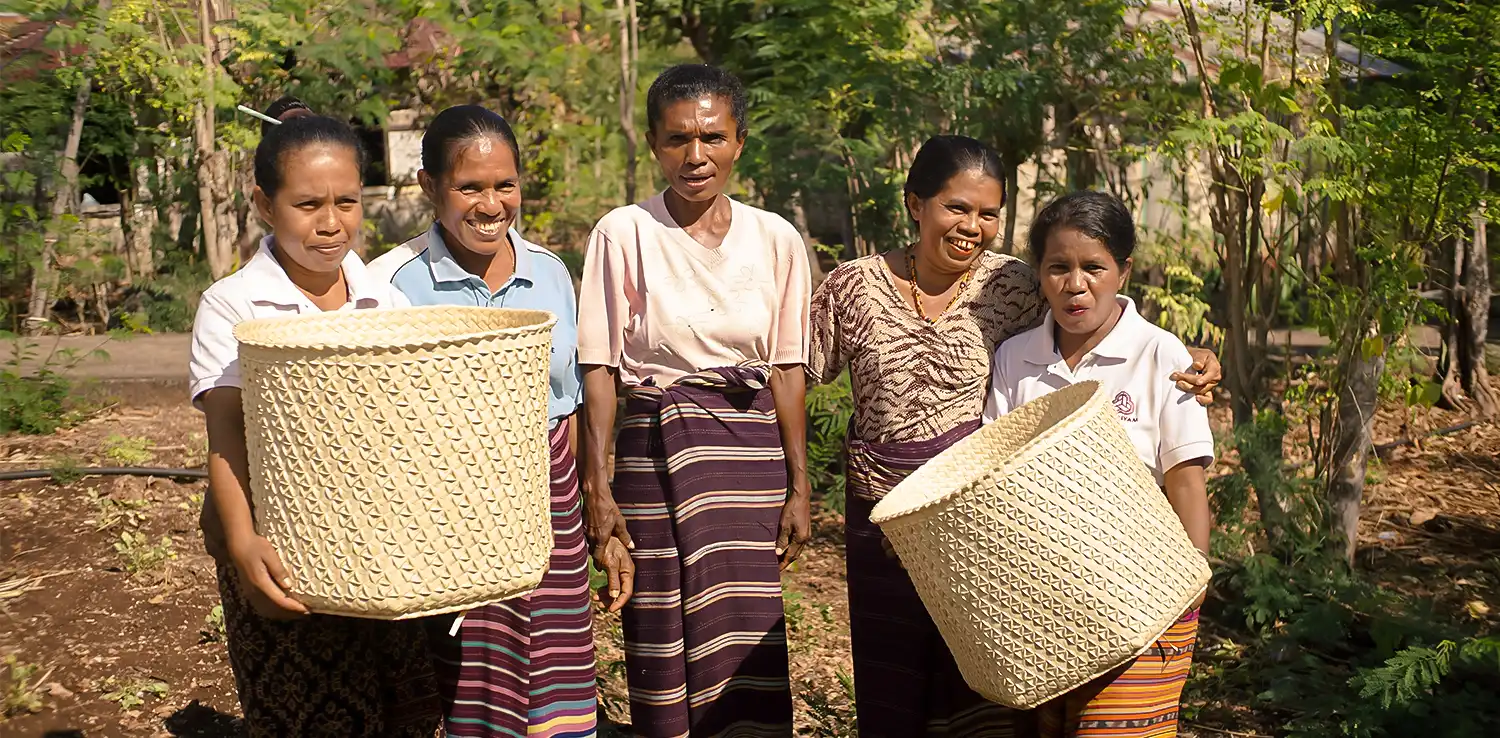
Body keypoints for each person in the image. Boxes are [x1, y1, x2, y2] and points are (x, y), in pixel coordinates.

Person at [806, 137, 1222, 738]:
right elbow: (794, 367)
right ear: (914, 204)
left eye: (988, 213)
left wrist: (1196, 357)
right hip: (909, 530)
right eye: (957, 207)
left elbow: (1106, 319)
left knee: (996, 705)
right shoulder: (859, 288)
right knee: (897, 692)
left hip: (1047, 557)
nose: (972, 225)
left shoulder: (1014, 287)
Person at [188, 98, 441, 737]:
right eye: (307, 205)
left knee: (403, 712)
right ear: (263, 205)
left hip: (383, 548)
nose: (331, 223)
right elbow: (227, 440)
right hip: (285, 546)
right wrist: (245, 545)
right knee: (308, 710)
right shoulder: (233, 306)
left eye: (347, 202)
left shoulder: (385, 298)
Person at [576, 63, 812, 738]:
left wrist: (800, 485)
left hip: (748, 455)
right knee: (660, 624)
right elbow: (599, 368)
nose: (695, 155)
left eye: (712, 136)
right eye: (678, 139)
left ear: (740, 141)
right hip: (653, 449)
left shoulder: (775, 239)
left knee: (747, 621)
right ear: (654, 143)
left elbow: (787, 369)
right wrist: (600, 488)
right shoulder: (624, 233)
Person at [367, 105, 597, 738]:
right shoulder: (390, 284)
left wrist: (572, 508)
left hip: (548, 496)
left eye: (505, 185)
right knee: (469, 669)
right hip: (446, 507)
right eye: (469, 187)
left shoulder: (550, 274)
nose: (491, 204)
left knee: (556, 659)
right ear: (429, 187)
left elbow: (567, 402)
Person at [984, 190, 1213, 737]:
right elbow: (992, 470)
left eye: (1094, 267)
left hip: (1143, 596)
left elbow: (1184, 479)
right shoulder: (1015, 359)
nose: (1075, 284)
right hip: (1038, 599)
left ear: (1123, 271)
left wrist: (1191, 590)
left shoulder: (1161, 356)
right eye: (1058, 267)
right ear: (1039, 273)